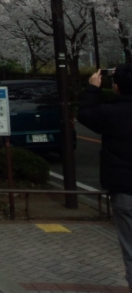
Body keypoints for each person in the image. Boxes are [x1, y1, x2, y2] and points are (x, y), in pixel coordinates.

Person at [78, 65, 132, 291]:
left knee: (130, 246)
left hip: (125, 191)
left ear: (116, 87)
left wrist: (93, 88)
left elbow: (85, 114)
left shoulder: (110, 112)